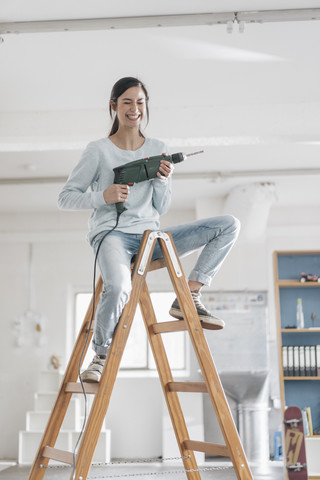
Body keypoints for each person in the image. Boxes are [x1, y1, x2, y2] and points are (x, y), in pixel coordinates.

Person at [58, 76, 240, 383]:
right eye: (127, 102)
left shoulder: (158, 148)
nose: (134, 109)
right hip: (111, 236)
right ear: (113, 106)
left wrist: (162, 179)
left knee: (228, 225)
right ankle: (100, 356)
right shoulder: (98, 151)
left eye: (140, 102)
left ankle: (189, 296)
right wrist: (102, 196)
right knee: (118, 286)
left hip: (150, 238)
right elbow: (65, 198)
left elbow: (160, 207)